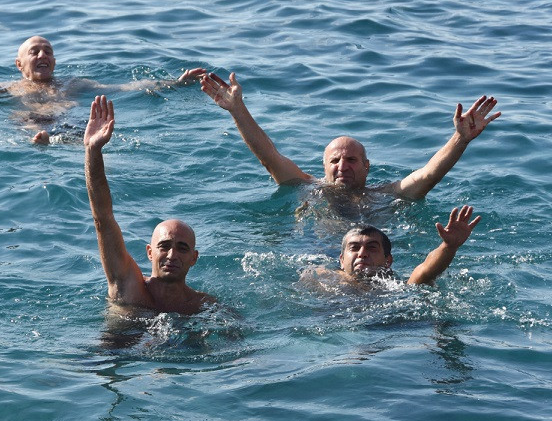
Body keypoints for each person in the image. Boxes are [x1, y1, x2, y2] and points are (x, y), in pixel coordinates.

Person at [200, 72, 501, 200]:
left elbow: (428, 175)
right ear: (324, 167)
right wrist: (237, 110)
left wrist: (460, 139)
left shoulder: (385, 196)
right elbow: (269, 157)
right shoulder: (307, 188)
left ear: (367, 167)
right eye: (335, 161)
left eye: (352, 160)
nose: (342, 166)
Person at [0, 0, 205, 144]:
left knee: (88, 137)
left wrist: (175, 83)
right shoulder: (9, 89)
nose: (42, 55)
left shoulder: (73, 84)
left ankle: (59, 142)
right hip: (31, 127)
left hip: (70, 126)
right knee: (32, 125)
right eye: (34, 51)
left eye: (48, 51)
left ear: (54, 62)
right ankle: (42, 141)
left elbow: (125, 88)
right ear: (18, 64)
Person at [84, 95, 214, 315]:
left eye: (182, 248)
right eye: (164, 246)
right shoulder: (129, 287)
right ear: (150, 252)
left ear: (194, 258)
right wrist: (92, 150)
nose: (172, 255)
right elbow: (102, 219)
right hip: (123, 338)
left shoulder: (203, 306)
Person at [301, 205, 481, 289]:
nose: (362, 254)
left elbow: (426, 271)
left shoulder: (393, 287)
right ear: (341, 260)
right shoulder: (322, 278)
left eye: (372, 248)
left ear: (388, 261)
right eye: (354, 248)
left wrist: (449, 246)